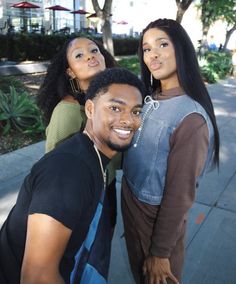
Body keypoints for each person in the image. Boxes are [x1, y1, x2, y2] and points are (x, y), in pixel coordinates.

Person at [0, 67, 144, 283]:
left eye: (136, 111)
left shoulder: (94, 158)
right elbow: (37, 278)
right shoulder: (68, 172)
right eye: (115, 108)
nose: (128, 120)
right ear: (89, 109)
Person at [121, 18, 220, 284]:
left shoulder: (191, 118)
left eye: (162, 44)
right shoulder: (151, 96)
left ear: (181, 49)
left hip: (155, 223)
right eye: (146, 48)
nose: (152, 54)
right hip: (132, 209)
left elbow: (180, 195)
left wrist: (160, 252)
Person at [37, 36, 119, 230]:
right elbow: (54, 168)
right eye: (79, 55)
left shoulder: (110, 101)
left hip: (107, 188)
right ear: (70, 72)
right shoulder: (68, 110)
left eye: (94, 50)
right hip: (81, 198)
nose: (90, 57)